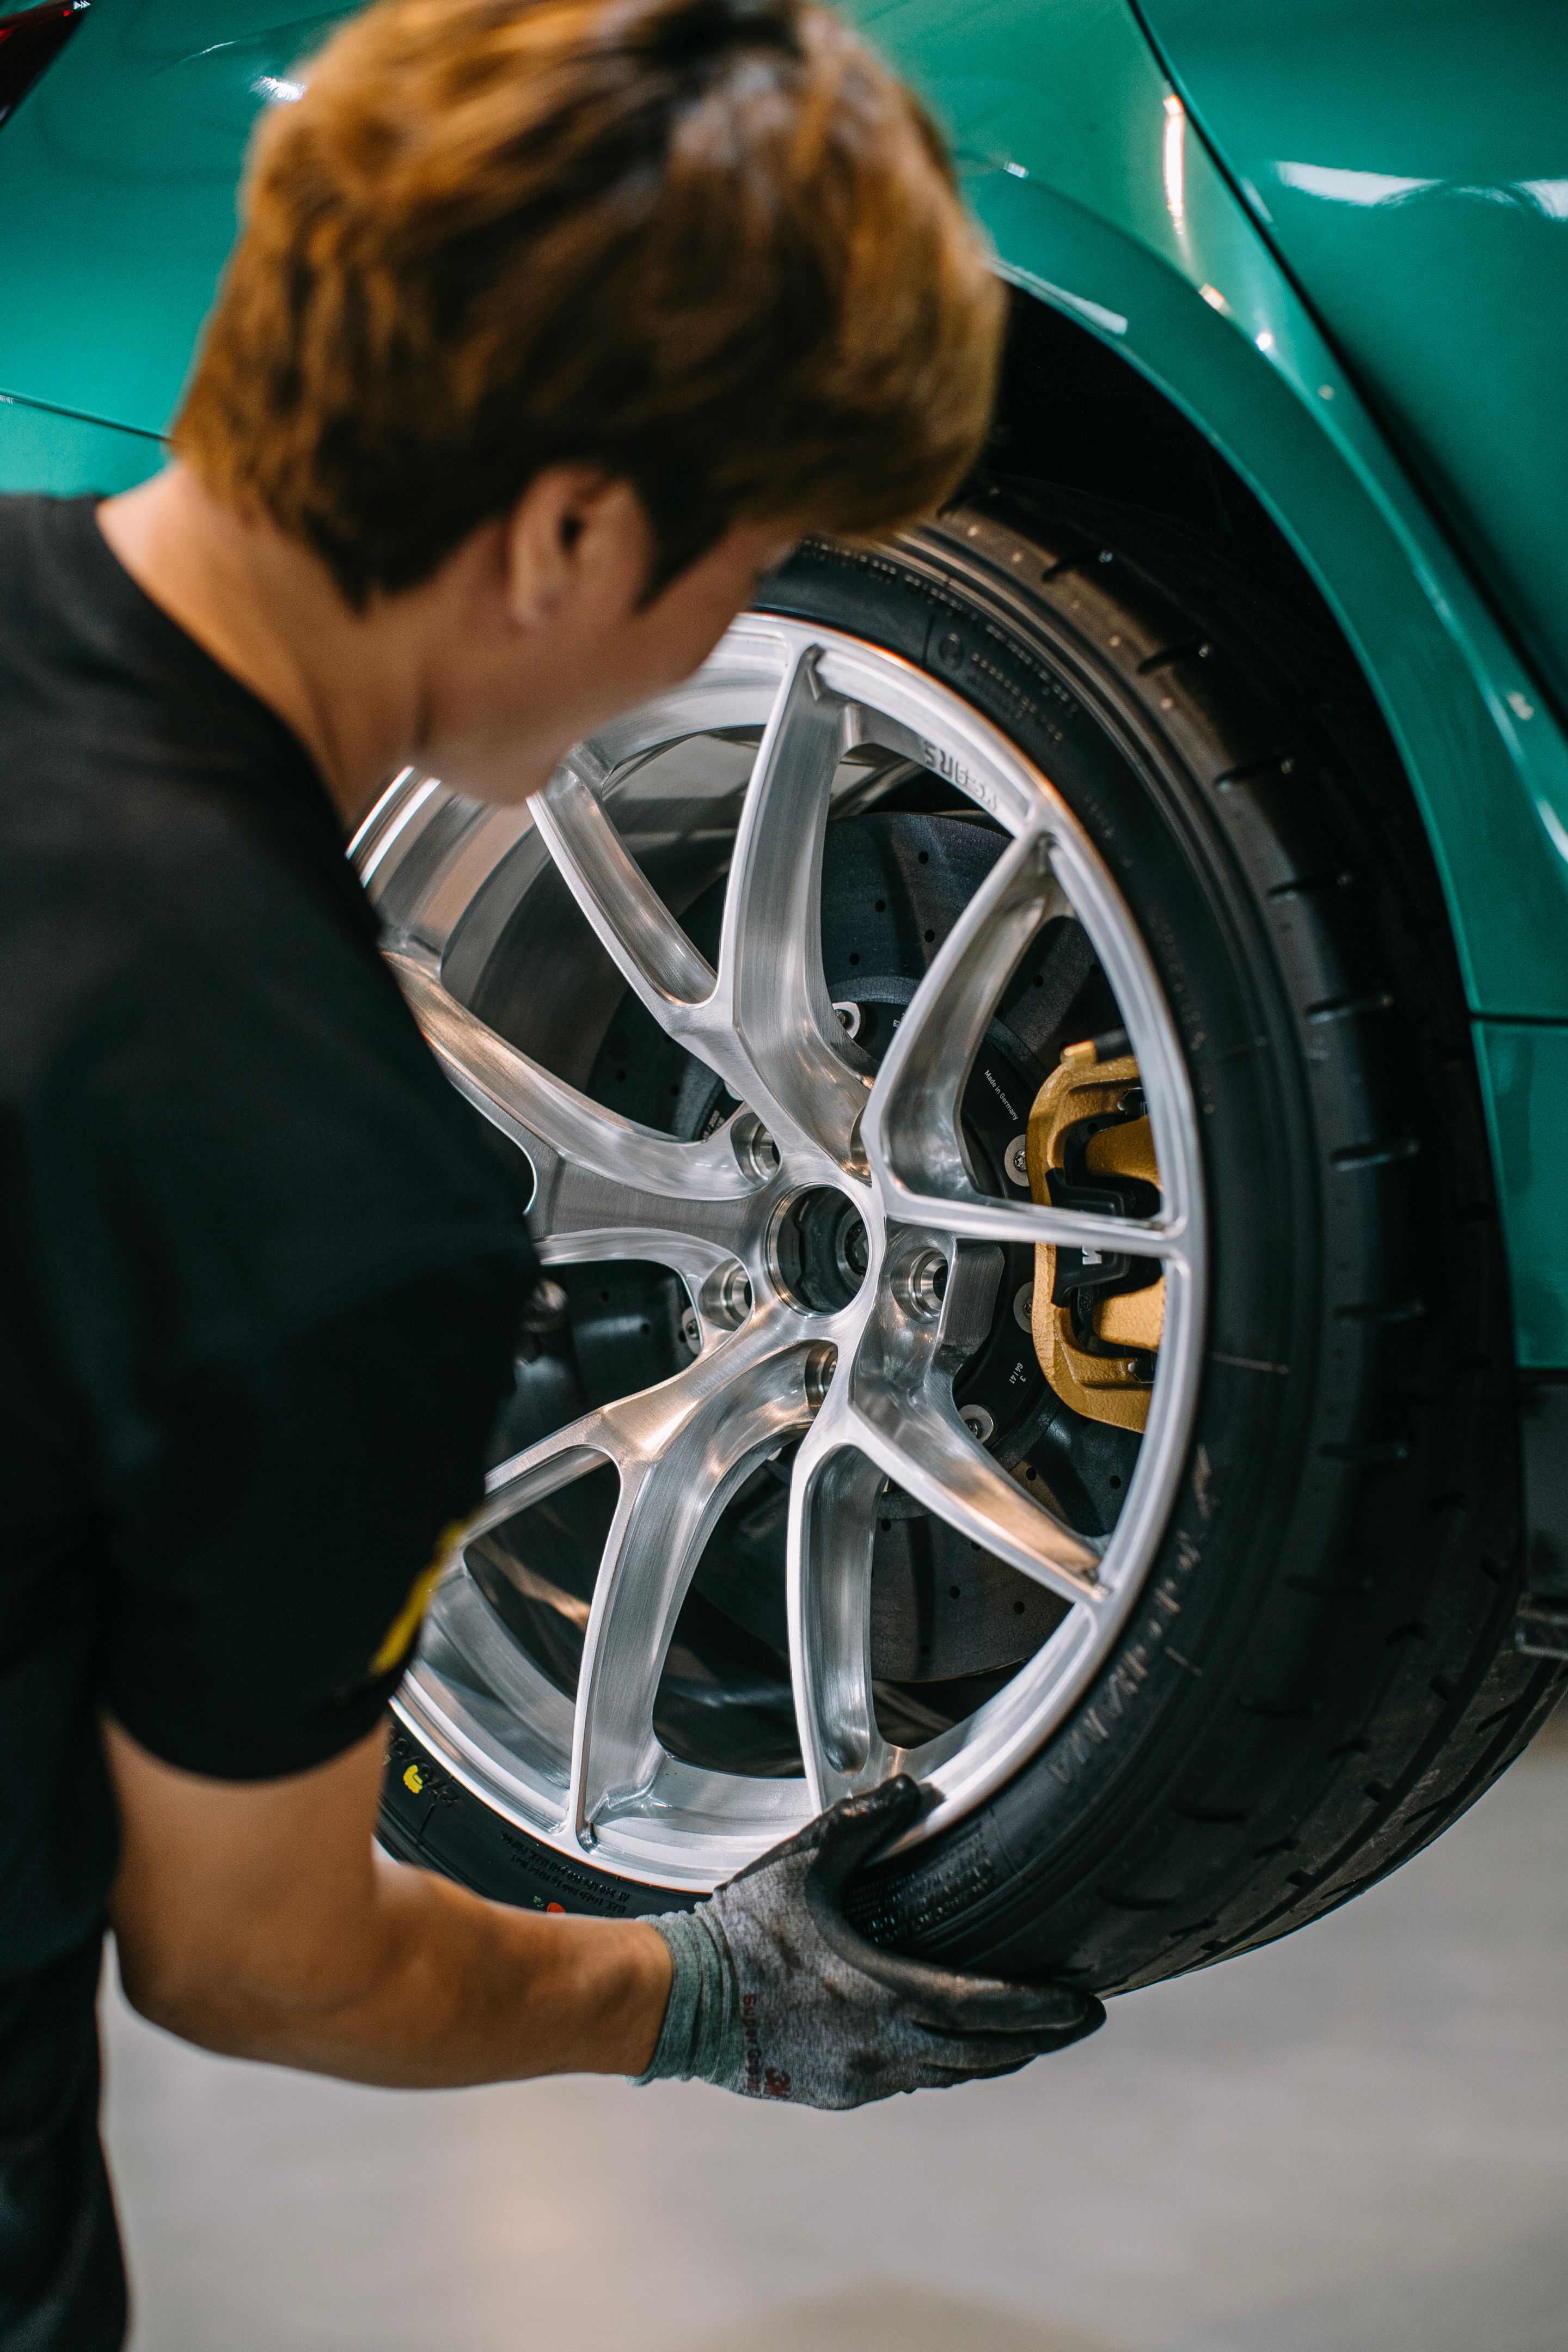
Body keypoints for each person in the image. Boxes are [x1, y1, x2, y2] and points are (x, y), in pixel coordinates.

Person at [0, 1, 1104, 2343]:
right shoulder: (328, 1190)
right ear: (574, 532)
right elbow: (252, 1957)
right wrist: (692, 1998)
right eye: (752, 554)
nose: (729, 627)